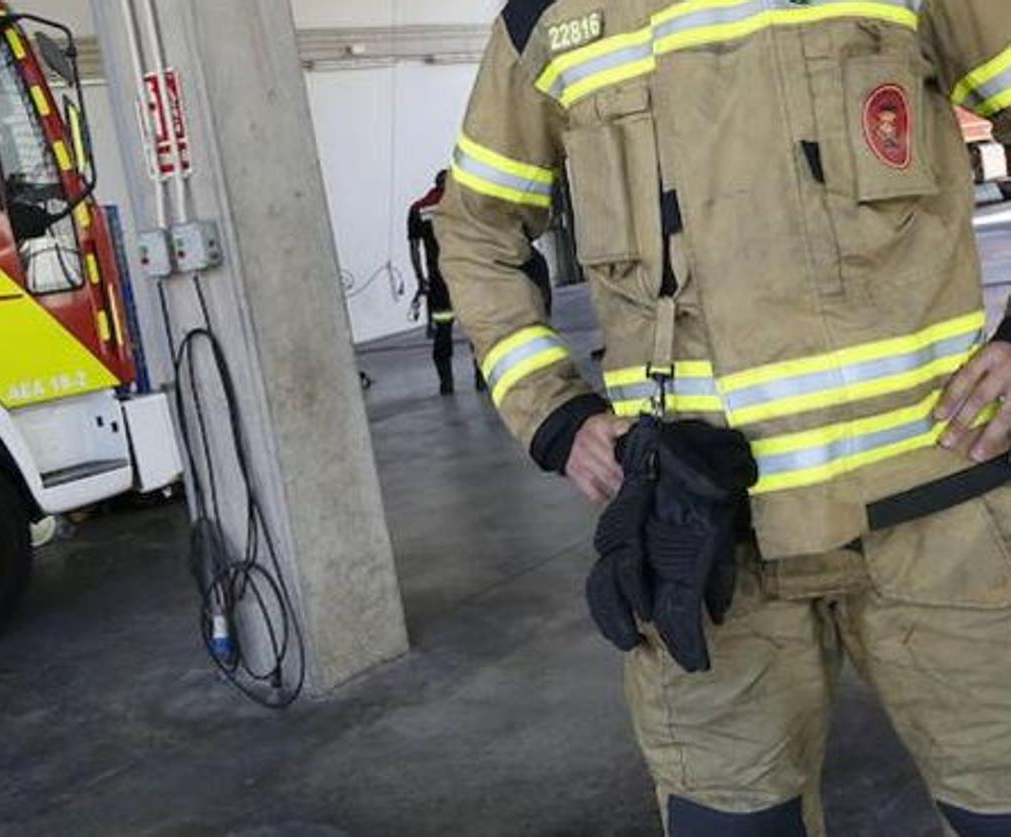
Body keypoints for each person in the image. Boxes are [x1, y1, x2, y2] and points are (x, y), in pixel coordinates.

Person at [437, 2, 1011, 835]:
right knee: (731, 820)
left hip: (938, 510)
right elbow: (477, 228)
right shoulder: (547, 23)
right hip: (706, 549)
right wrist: (554, 412)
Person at [409, 171, 486, 395]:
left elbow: (414, 247)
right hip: (465, 277)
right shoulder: (462, 204)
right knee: (475, 328)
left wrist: (420, 278)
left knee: (442, 331)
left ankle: (446, 383)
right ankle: (481, 378)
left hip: (438, 281)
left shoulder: (418, 209)